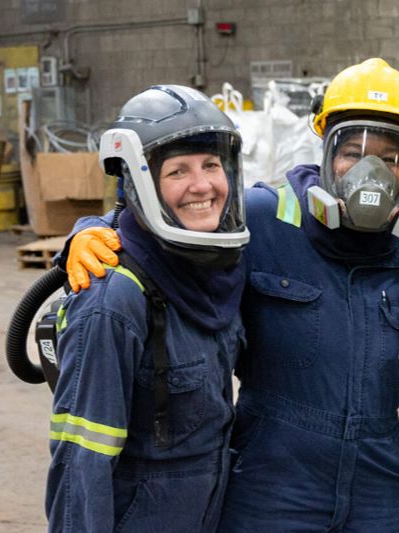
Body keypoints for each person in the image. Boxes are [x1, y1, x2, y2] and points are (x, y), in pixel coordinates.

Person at [62, 59, 399, 532]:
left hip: (381, 489)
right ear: (326, 151)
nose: (370, 172)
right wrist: (91, 229)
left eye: (390, 157)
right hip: (272, 485)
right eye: (351, 152)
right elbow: (169, 222)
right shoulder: (261, 219)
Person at [46, 84, 248, 532]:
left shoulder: (216, 267)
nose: (203, 186)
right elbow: (81, 464)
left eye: (212, 165)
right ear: (138, 182)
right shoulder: (112, 299)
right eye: (178, 171)